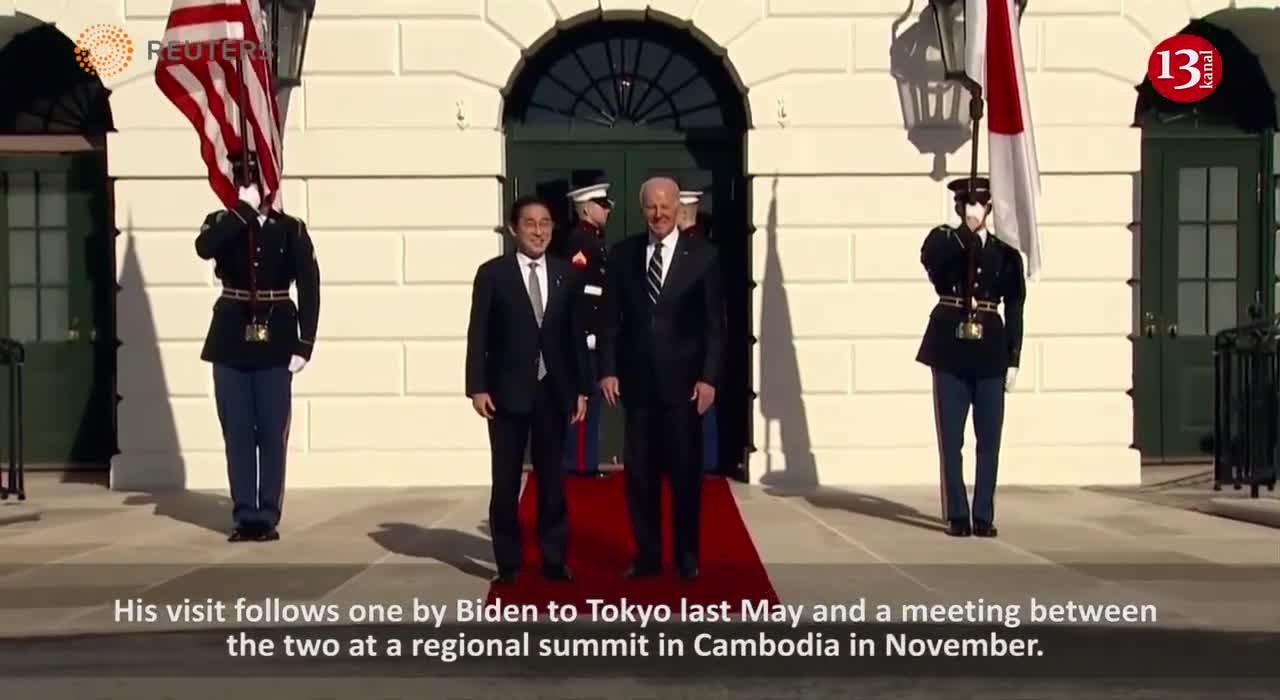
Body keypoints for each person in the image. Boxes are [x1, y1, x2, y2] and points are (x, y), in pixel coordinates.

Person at [598, 176, 726, 581]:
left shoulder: (703, 256)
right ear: (642, 210)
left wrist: (709, 378)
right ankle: (648, 555)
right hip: (637, 387)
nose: (659, 214)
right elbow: (609, 321)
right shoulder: (622, 255)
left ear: (677, 207)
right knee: (640, 478)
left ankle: (687, 556)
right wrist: (607, 369)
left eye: (665, 206)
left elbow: (715, 326)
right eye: (651, 207)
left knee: (686, 476)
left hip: (685, 388)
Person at [195, 150, 320, 543]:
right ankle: (243, 514)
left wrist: (305, 342)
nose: (248, 181)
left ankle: (266, 515)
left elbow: (310, 286)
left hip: (276, 336)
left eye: (255, 175)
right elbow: (205, 247)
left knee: (270, 430)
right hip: (230, 337)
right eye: (242, 175)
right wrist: (242, 213)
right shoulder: (223, 222)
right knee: (237, 432)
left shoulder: (291, 229)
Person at [465, 194, 590, 584]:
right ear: (513, 228)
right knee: (505, 484)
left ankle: (554, 559)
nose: (539, 231)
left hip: (553, 392)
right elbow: (478, 334)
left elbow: (574, 335)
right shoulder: (493, 274)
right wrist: (477, 387)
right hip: (505, 395)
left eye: (546, 223)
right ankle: (509, 564)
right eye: (530, 223)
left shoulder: (565, 274)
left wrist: (581, 389)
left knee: (552, 481)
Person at [915, 176, 1026, 538]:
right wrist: (966, 232)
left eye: (981, 204)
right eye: (968, 205)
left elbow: (1016, 308)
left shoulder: (1006, 254)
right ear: (959, 208)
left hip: (990, 350)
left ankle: (984, 513)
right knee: (951, 438)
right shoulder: (944, 241)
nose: (975, 211)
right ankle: (958, 513)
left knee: (989, 438)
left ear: (991, 207)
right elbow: (931, 259)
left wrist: (1014, 358)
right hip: (949, 348)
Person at [560, 173, 612, 478]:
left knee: (591, 401)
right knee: (584, 399)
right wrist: (588, 331)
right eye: (601, 204)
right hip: (584, 335)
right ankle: (578, 464)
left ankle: (586, 462)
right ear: (585, 208)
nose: (607, 210)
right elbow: (580, 291)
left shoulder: (593, 239)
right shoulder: (580, 240)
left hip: (594, 335)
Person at [676, 188, 718, 476]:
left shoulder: (696, 249)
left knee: (699, 403)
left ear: (681, 213)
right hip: (693, 340)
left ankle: (703, 460)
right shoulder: (699, 244)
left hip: (694, 340)